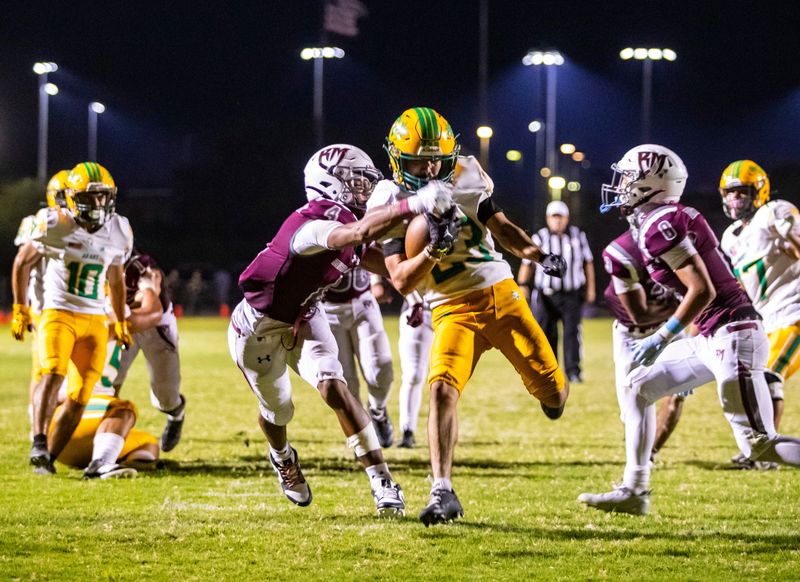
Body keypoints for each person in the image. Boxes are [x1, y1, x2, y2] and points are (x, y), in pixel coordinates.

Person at [228, 143, 453, 516]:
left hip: (307, 315)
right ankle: (282, 457)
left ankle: (381, 479)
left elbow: (398, 277)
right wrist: (415, 204)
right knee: (278, 409)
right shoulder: (311, 224)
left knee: (334, 386)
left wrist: (433, 249)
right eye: (355, 179)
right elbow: (354, 234)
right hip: (258, 327)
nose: (364, 187)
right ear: (328, 184)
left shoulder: (349, 225)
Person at [370, 106, 569, 526]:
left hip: (500, 295)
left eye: (435, 160)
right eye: (417, 162)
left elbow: (500, 225)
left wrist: (536, 253)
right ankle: (442, 491)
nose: (427, 169)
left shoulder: (465, 174)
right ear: (395, 161)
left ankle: (551, 397)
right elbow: (402, 282)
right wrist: (434, 250)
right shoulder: (389, 200)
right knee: (441, 388)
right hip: (449, 309)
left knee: (554, 393)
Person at [579, 144, 800, 516]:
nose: (621, 185)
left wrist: (661, 336)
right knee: (637, 386)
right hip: (717, 335)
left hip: (734, 335)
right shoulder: (665, 218)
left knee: (758, 445)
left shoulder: (659, 225)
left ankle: (636, 489)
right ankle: (635, 490)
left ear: (652, 182)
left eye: (629, 177)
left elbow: (703, 289)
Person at [11, 162, 133, 475]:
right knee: (51, 372)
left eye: (102, 196)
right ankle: (38, 439)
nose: (97, 203)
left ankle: (48, 458)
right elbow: (22, 263)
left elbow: (117, 280)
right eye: (89, 197)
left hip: (94, 319)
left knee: (79, 397)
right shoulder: (54, 223)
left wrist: (119, 320)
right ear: (71, 197)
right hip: (57, 312)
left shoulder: (119, 229)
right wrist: (21, 308)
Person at [719, 160, 800, 468]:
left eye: (741, 193)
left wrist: (790, 235)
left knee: (767, 377)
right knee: (748, 381)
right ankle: (761, 448)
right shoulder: (731, 237)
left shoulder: (774, 212)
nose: (734, 200)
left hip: (794, 312)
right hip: (767, 320)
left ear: (758, 192)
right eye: (730, 194)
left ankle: (767, 451)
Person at [601, 228, 689, 464]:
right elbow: (640, 315)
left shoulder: (682, 248)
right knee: (632, 409)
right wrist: (687, 306)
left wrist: (690, 310)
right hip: (633, 336)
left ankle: (648, 456)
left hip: (669, 330)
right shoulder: (624, 257)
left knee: (676, 398)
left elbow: (705, 293)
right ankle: (639, 450)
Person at [55, 334, 160, 479]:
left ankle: (107, 458)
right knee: (122, 409)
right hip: (65, 422)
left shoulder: (112, 324)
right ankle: (101, 464)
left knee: (149, 443)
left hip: (85, 430)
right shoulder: (90, 323)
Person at [112, 249, 187, 452]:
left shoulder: (143, 267)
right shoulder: (95, 259)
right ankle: (105, 435)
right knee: (109, 382)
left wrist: (122, 306)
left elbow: (151, 306)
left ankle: (176, 414)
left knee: (166, 396)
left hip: (155, 325)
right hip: (123, 323)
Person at [13, 170, 70, 435]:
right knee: (44, 370)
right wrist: (20, 307)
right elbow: (22, 264)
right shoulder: (43, 222)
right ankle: (38, 430)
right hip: (46, 308)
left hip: (76, 308)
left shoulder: (84, 224)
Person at [517, 200, 595, 383]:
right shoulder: (540, 237)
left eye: (560, 217)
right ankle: (550, 371)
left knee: (572, 334)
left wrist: (591, 288)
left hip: (571, 294)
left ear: (567, 218)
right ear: (548, 218)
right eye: (554, 217)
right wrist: (522, 285)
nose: (557, 221)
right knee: (546, 333)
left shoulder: (577, 236)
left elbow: (588, 263)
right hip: (546, 295)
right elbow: (527, 263)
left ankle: (573, 371)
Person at [319, 266, 396, 447]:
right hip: (327, 309)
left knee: (380, 370)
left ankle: (378, 411)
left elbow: (368, 246)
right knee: (346, 383)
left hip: (363, 301)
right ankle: (362, 433)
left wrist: (377, 280)